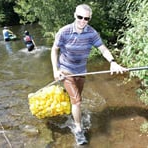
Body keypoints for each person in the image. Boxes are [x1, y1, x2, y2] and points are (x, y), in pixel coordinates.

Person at [51, 4, 127, 145]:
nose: (82, 21)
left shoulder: (92, 33)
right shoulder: (64, 32)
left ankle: (72, 109)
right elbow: (54, 50)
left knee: (77, 98)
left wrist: (112, 62)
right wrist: (56, 70)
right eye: (80, 17)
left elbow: (103, 49)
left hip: (81, 70)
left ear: (89, 19)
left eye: (86, 18)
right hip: (66, 69)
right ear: (75, 15)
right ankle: (79, 129)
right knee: (77, 101)